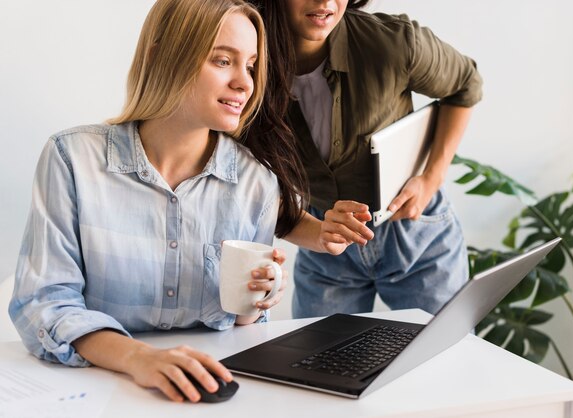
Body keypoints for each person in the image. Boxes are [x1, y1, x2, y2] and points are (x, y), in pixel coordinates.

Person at [9, 0, 368, 403]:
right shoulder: (72, 159)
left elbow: (242, 324)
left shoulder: (257, 182)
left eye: (250, 66)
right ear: (163, 54)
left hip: (213, 395)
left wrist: (257, 299)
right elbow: (44, 304)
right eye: (222, 61)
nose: (244, 83)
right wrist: (139, 358)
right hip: (91, 393)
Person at [247, 0, 483, 318]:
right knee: (320, 364)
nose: (325, 3)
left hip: (415, 232)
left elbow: (466, 83)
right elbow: (242, 175)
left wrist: (431, 179)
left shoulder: (394, 42)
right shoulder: (246, 62)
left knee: (444, 360)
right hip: (325, 239)